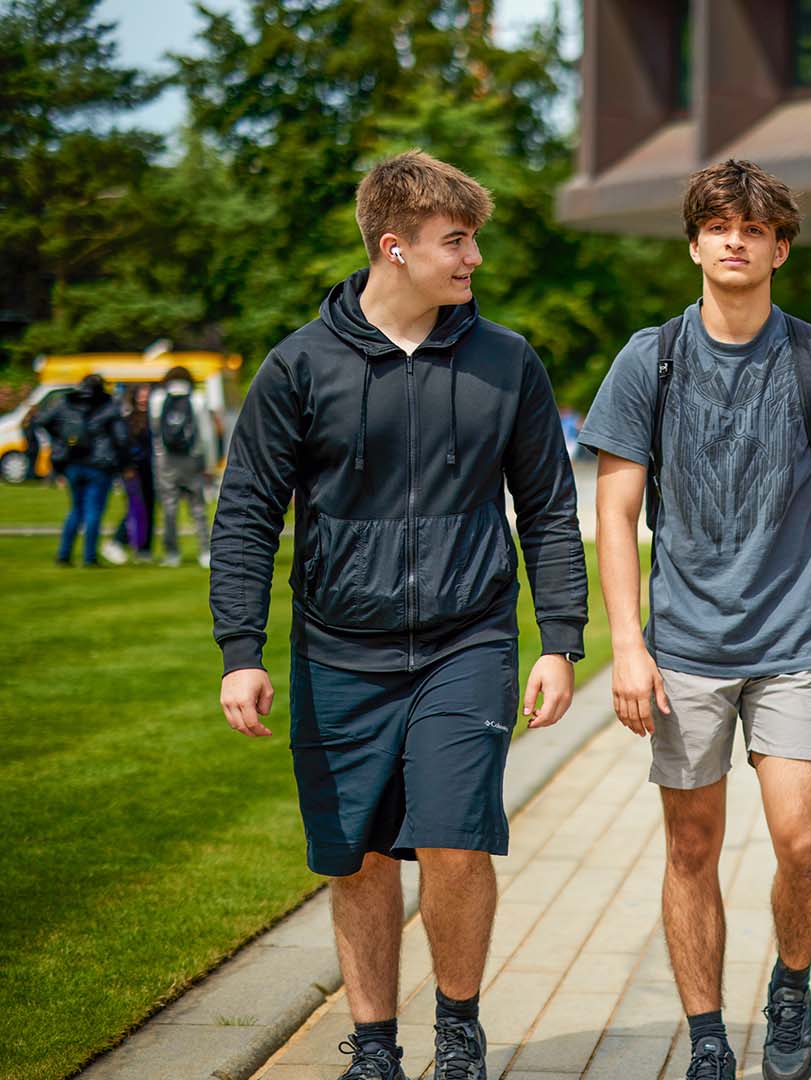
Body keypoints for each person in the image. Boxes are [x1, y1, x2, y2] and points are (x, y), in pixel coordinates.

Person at [210, 151, 589, 1080]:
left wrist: (562, 641)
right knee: (359, 856)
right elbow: (249, 512)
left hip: (468, 638)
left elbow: (546, 506)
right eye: (456, 243)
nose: (473, 261)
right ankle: (374, 1046)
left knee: (457, 839)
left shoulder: (507, 361)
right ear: (395, 247)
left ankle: (457, 1030)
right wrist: (239, 650)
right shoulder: (300, 365)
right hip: (340, 650)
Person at [580, 159, 811, 1080]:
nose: (734, 240)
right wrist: (627, 647)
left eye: (752, 229)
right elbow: (614, 510)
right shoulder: (650, 358)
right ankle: (709, 1034)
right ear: (694, 243)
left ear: (779, 249)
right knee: (692, 844)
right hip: (681, 648)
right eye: (718, 225)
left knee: (803, 844)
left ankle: (789, 982)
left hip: (794, 643)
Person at [37, 374, 128, 567]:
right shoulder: (108, 405)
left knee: (76, 510)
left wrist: (60, 439)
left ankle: (64, 554)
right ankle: (89, 556)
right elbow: (122, 437)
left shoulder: (67, 402)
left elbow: (42, 420)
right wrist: (123, 461)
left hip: (72, 461)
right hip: (99, 464)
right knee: (94, 511)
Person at [150, 365, 221, 568]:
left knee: (169, 509)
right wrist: (209, 463)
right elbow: (206, 435)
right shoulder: (197, 399)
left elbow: (156, 434)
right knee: (198, 508)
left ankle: (172, 553)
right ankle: (205, 552)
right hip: (191, 459)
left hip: (166, 461)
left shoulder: (158, 400)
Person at [103, 384, 156, 564]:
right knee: (136, 508)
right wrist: (126, 467)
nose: (144, 399)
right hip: (133, 470)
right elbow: (124, 446)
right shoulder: (128, 420)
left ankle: (144, 549)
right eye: (141, 396)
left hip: (150, 469)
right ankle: (118, 541)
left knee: (148, 508)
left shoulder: (153, 418)